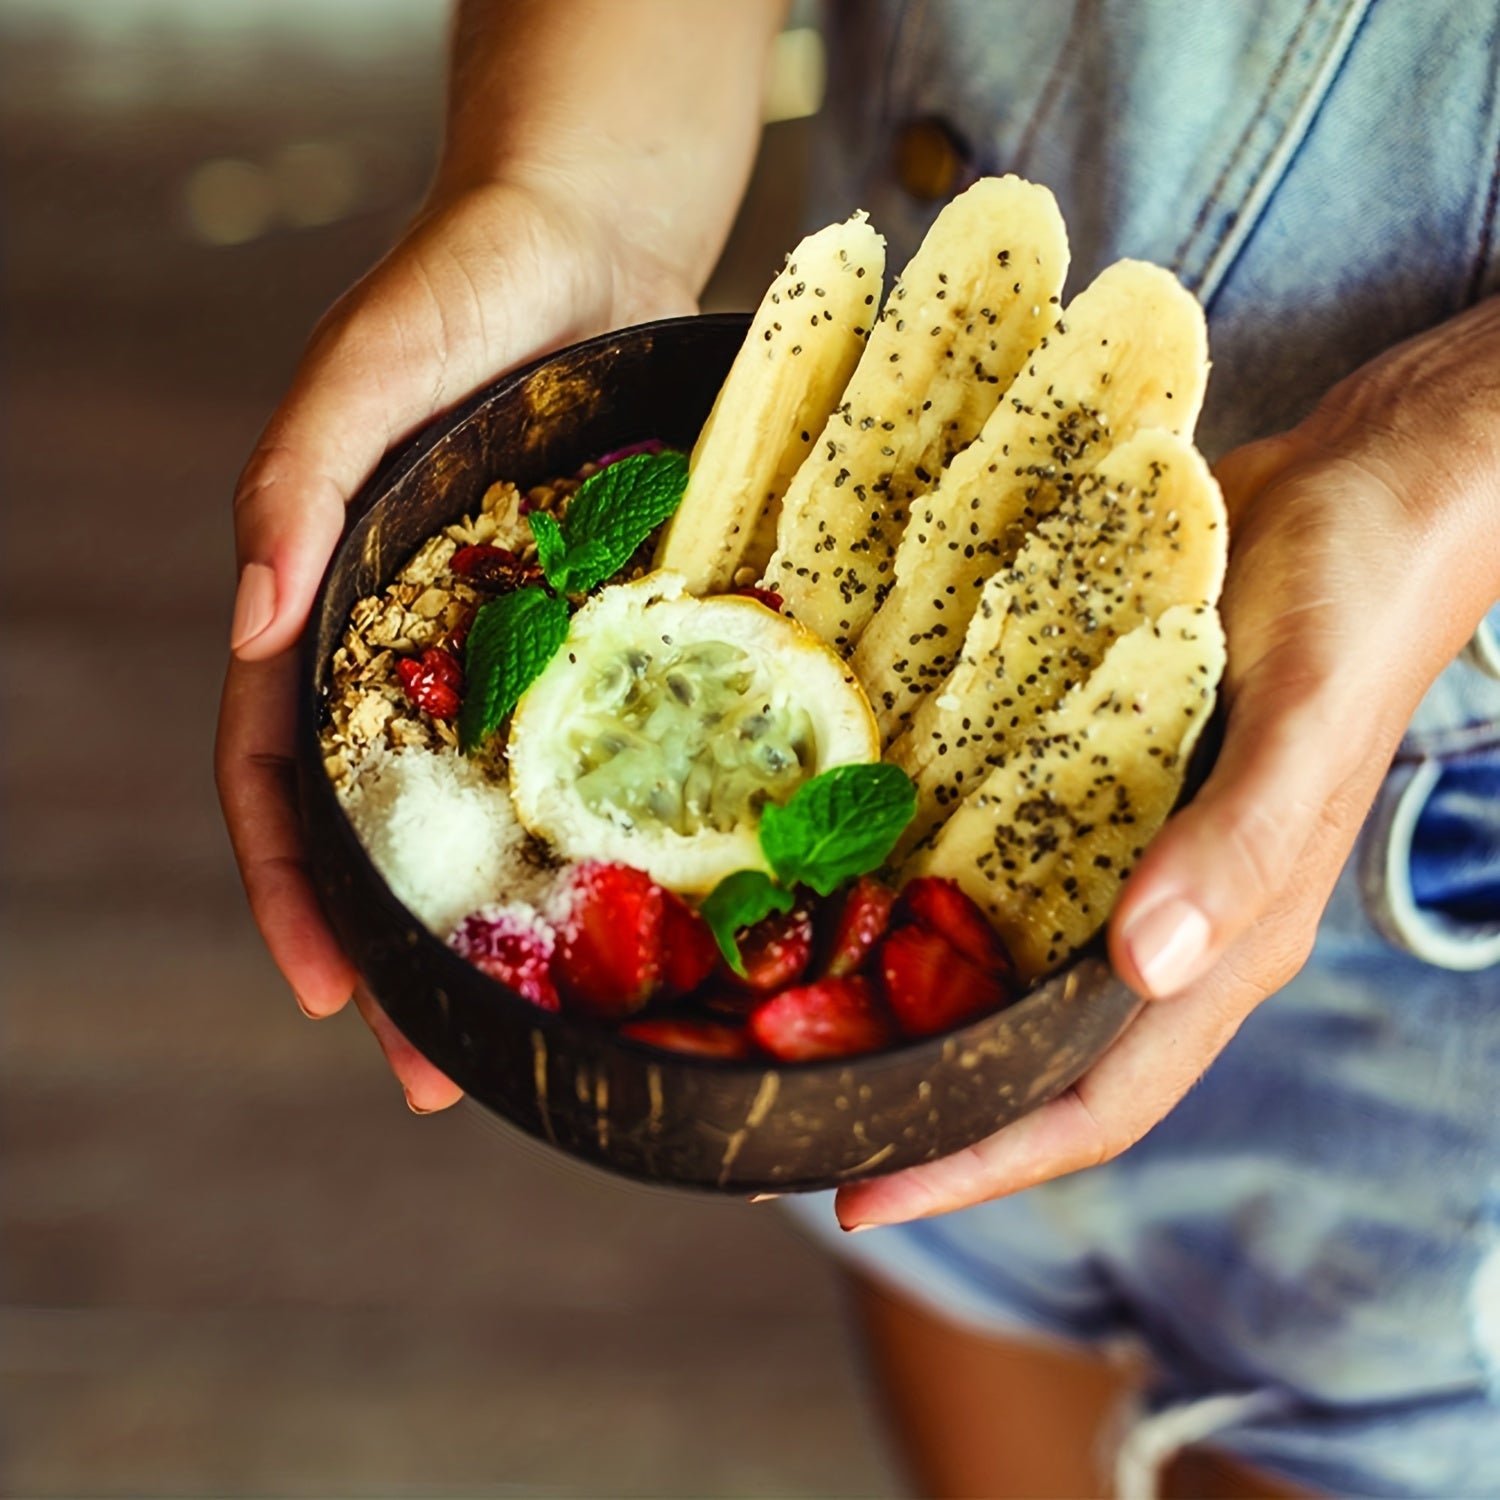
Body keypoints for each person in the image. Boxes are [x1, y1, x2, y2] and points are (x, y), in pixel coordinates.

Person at [215, 3, 1500, 1494]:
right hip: (903, 501)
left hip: (1441, 899)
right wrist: (568, 184)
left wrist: (1448, 453)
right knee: (964, 1347)